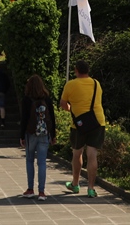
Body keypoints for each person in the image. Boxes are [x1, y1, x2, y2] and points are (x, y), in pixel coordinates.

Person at [59, 60, 106, 198]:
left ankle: (75, 184)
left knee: (77, 153)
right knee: (92, 154)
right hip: (97, 121)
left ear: (76, 70)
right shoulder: (96, 83)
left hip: (79, 124)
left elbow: (63, 103)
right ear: (88, 70)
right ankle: (91, 188)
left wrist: (71, 109)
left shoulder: (71, 84)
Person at [19, 74, 57, 201]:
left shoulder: (26, 100)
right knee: (42, 162)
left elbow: (24, 119)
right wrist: (53, 135)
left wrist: (21, 136)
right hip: (44, 134)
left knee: (30, 160)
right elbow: (52, 118)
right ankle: (42, 192)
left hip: (31, 134)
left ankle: (30, 189)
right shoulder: (47, 99)